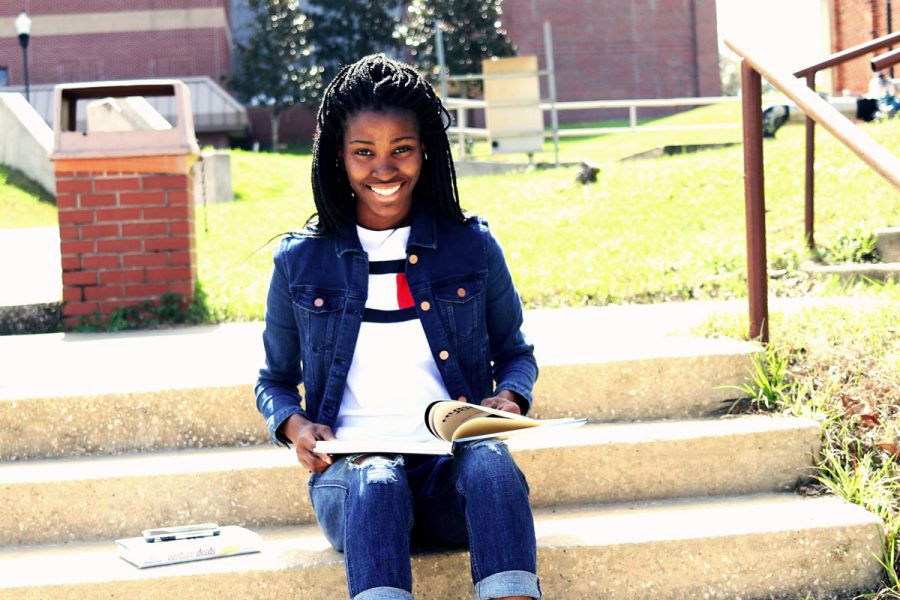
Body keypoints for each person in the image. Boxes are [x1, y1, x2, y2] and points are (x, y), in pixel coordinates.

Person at [254, 54, 541, 600]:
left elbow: (515, 353)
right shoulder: (300, 263)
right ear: (338, 157)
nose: (384, 169)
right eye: (364, 152)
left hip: (447, 475)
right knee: (378, 475)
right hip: (353, 482)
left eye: (400, 150)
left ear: (425, 150)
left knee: (491, 462)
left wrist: (509, 397)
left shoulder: (472, 246)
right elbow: (273, 381)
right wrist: (295, 428)